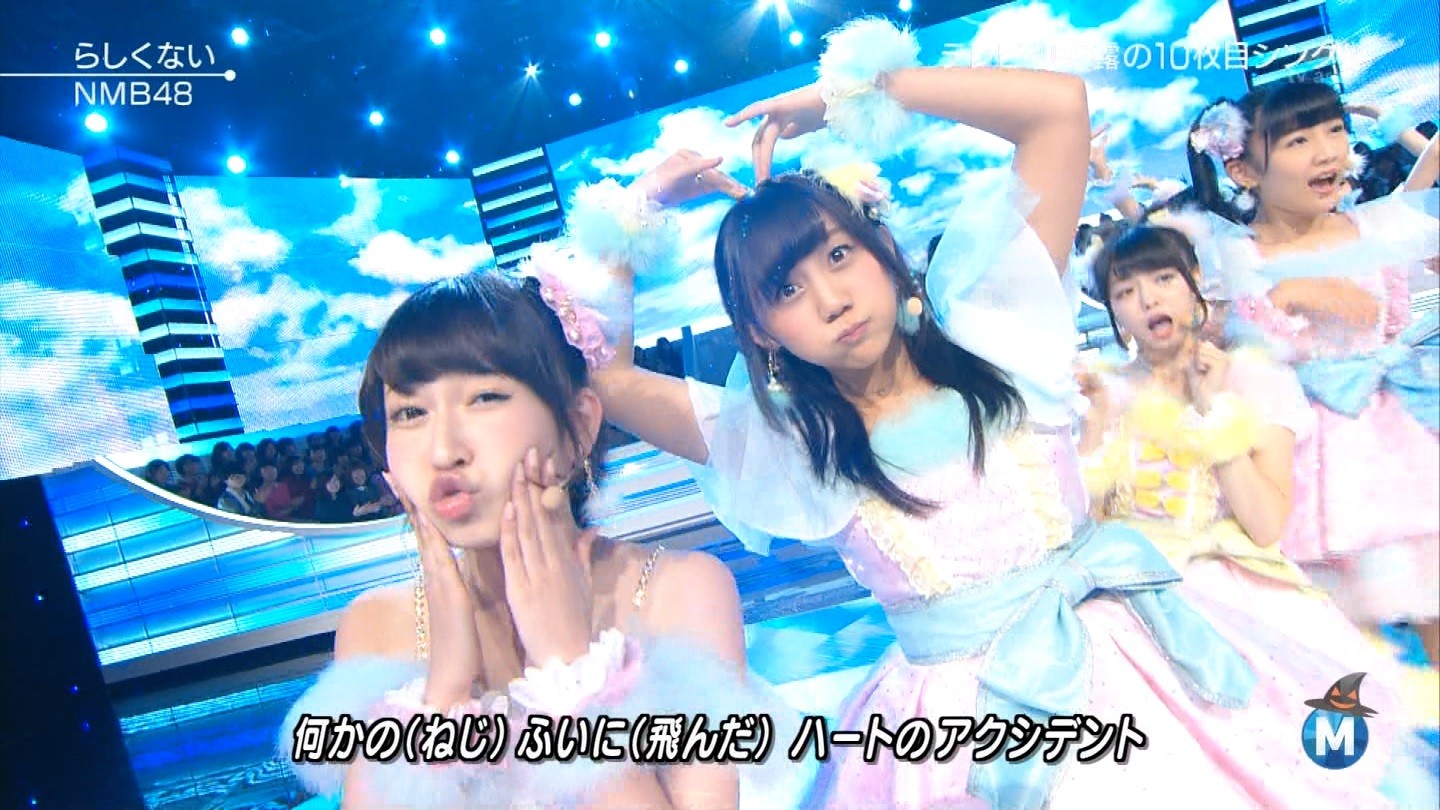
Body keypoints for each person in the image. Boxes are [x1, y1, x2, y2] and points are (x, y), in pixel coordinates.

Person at [574, 17, 1379, 809]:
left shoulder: (997, 335)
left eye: (840, 254)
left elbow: (1057, 111)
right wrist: (642, 202)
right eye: (786, 289)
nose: (830, 298)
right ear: (759, 330)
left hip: (1136, 663)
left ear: (883, 253)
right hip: (954, 738)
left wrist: (858, 93)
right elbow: (606, 377)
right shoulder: (789, 446)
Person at [279, 272, 792, 809]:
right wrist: (445, 693)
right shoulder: (377, 624)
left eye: (484, 397)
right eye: (411, 413)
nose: (443, 451)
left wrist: (570, 670)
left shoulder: (677, 591)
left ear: (578, 426)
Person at [1078, 224, 1430, 803]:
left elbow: (1265, 524)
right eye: (1126, 291)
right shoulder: (1104, 391)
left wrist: (1210, 410)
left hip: (1236, 586)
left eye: (1163, 279)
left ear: (1195, 285)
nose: (1147, 300)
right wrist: (1092, 428)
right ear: (1114, 312)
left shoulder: (1252, 378)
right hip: (1132, 597)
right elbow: (1085, 527)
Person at [1186, 81, 1439, 665]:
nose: (1327, 151)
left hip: (1399, 442)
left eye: (1334, 131)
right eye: (1298, 140)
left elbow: (1377, 303)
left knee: (1429, 593)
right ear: (1243, 171)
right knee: (1338, 648)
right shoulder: (1232, 256)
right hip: (1297, 459)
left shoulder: (1376, 228)